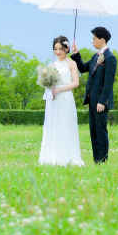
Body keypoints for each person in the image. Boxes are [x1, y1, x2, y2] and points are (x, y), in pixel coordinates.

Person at [71, 26, 117, 164]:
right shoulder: (96, 56)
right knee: (94, 132)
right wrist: (76, 54)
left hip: (101, 103)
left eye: (94, 39)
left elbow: (108, 83)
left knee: (101, 132)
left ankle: (103, 161)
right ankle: (96, 160)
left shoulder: (110, 58)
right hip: (92, 101)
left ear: (102, 40)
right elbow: (83, 68)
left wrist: (102, 102)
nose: (92, 42)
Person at [38, 36, 84, 166]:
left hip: (65, 97)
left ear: (67, 48)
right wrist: (48, 86)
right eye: (55, 49)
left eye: (60, 49)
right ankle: (53, 156)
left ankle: (68, 156)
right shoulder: (51, 65)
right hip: (54, 99)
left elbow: (75, 83)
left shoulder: (71, 63)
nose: (58, 52)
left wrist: (61, 89)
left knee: (66, 124)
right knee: (54, 125)